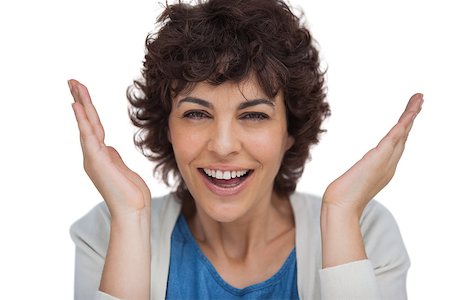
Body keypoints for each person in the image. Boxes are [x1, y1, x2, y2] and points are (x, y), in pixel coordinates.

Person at [69, 0, 423, 299]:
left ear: (290, 130)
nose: (223, 146)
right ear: (168, 128)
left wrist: (341, 214)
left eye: (254, 115)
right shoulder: (108, 229)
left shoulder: (366, 230)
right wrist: (130, 220)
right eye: (196, 114)